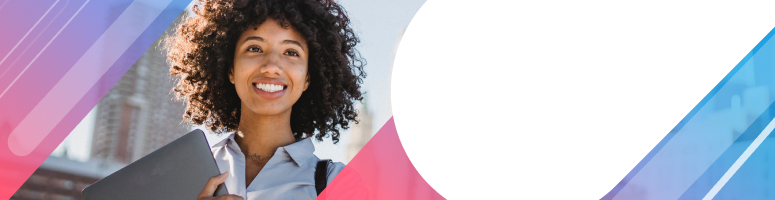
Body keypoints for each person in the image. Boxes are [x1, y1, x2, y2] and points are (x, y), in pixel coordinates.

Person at [164, 0, 365, 199]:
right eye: (254, 48)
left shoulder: (339, 184)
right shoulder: (184, 173)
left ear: (307, 79)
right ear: (230, 68)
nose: (271, 66)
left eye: (291, 52)